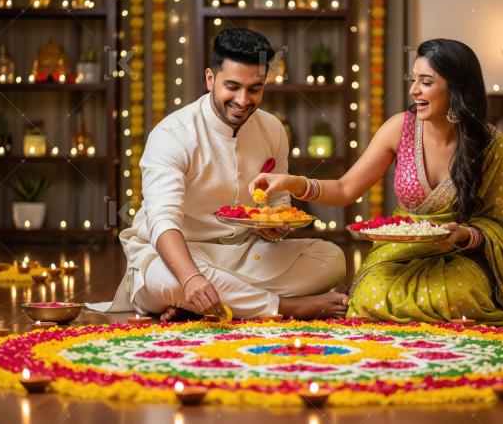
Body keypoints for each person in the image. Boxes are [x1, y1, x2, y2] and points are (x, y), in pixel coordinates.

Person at [250, 38, 503, 324]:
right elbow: (347, 189)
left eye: (426, 82)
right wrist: (292, 183)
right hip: (400, 253)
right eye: (414, 80)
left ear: (455, 88)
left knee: (461, 298)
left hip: (460, 256)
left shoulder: (489, 144)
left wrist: (463, 236)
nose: (414, 91)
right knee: (369, 294)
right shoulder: (398, 129)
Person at [87, 28, 348, 320]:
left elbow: (278, 208)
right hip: (178, 255)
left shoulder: (274, 129)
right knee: (168, 279)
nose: (243, 100)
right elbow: (162, 222)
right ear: (210, 78)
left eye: (255, 88)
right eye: (232, 86)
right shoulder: (172, 134)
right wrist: (191, 279)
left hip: (246, 254)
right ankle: (286, 307)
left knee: (331, 259)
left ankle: (204, 302)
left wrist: (276, 229)